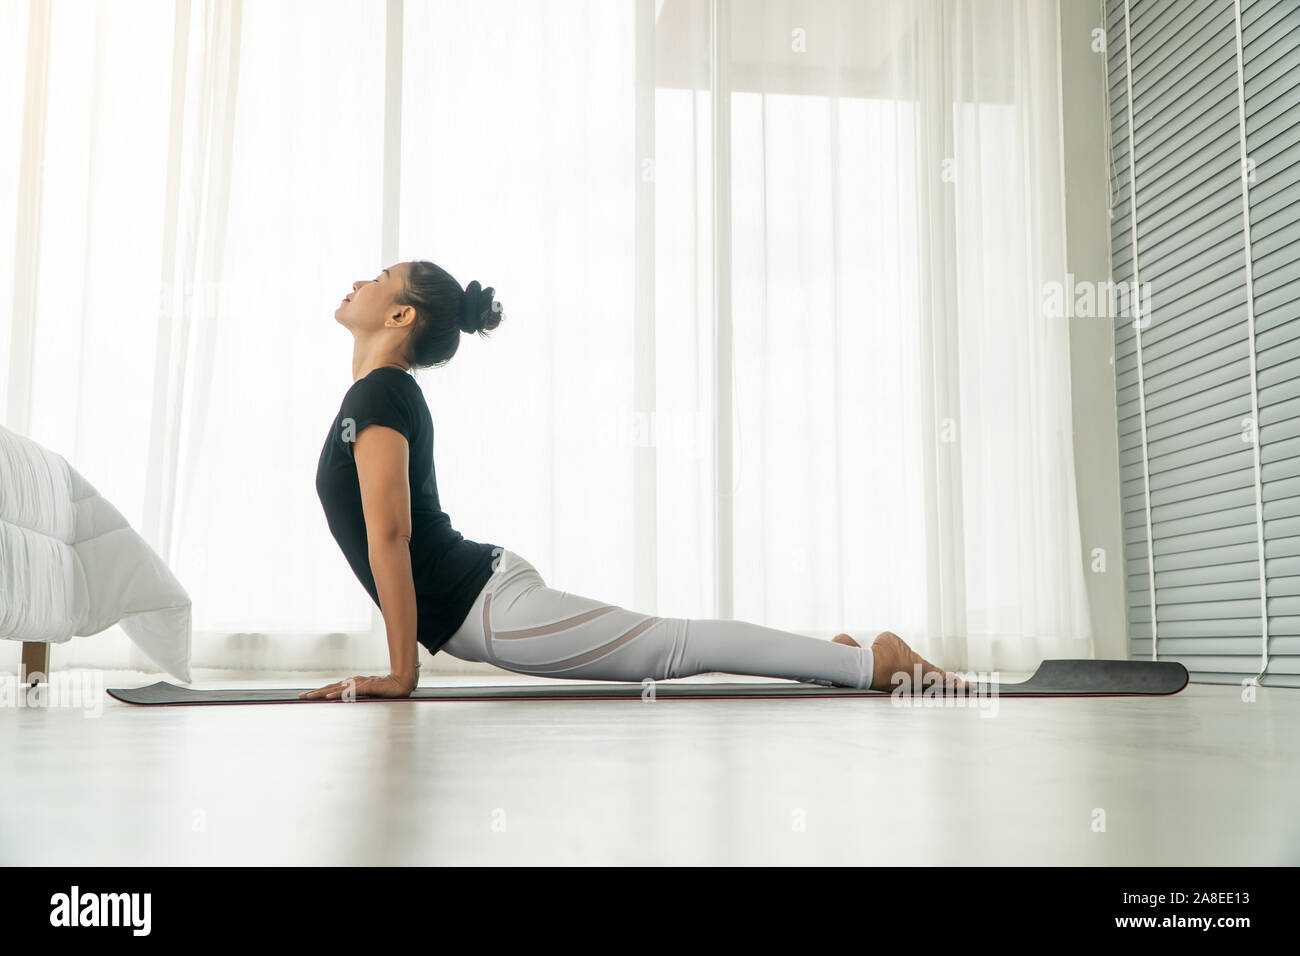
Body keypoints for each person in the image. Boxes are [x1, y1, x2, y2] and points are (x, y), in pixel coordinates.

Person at [303, 261, 964, 700]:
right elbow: (387, 535)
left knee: (667, 649)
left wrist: (400, 674)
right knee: (665, 646)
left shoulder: (382, 396)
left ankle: (871, 662)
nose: (361, 280)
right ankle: (833, 656)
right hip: (485, 599)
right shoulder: (377, 397)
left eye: (379, 277)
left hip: (491, 609)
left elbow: (390, 534)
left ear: (400, 317)